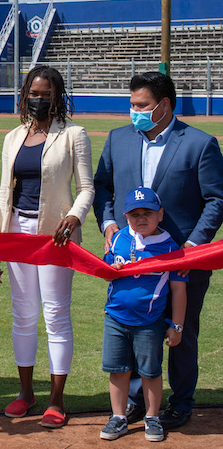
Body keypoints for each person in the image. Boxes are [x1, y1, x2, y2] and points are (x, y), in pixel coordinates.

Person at [94, 71, 223, 430]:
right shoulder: (118, 139)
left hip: (183, 263)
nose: (133, 111)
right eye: (131, 104)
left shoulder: (200, 143)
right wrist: (108, 224)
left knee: (181, 334)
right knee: (133, 331)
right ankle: (134, 403)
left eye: (141, 105)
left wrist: (193, 246)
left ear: (164, 105)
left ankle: (181, 404)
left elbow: (217, 199)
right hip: (130, 263)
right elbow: (102, 188)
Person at [0, 65, 94, 428]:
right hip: (17, 231)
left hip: (55, 237)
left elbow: (87, 188)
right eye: (33, 93)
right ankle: (25, 393)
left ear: (58, 96)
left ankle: (56, 400)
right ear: (24, 95)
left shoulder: (73, 134)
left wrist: (76, 216)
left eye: (46, 94)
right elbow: (4, 195)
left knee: (55, 316)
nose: (38, 99)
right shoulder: (12, 137)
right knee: (24, 315)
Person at [99, 187, 187, 443]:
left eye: (147, 213)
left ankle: (152, 417)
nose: (141, 219)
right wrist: (111, 268)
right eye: (134, 214)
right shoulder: (119, 239)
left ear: (160, 214)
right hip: (115, 318)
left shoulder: (170, 247)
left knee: (150, 373)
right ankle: (119, 416)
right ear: (125, 217)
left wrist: (177, 326)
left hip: (150, 323)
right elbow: (105, 271)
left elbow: (178, 289)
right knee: (118, 371)